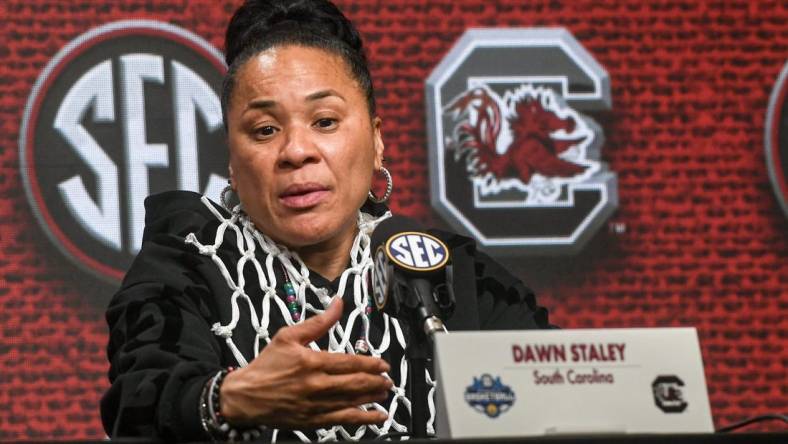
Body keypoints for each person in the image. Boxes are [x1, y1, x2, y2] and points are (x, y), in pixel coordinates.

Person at [101, 0, 553, 441]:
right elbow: (138, 404)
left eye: (324, 121)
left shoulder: (443, 268)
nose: (297, 151)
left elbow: (563, 390)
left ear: (377, 141)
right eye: (264, 130)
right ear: (233, 164)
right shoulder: (188, 263)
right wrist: (231, 399)